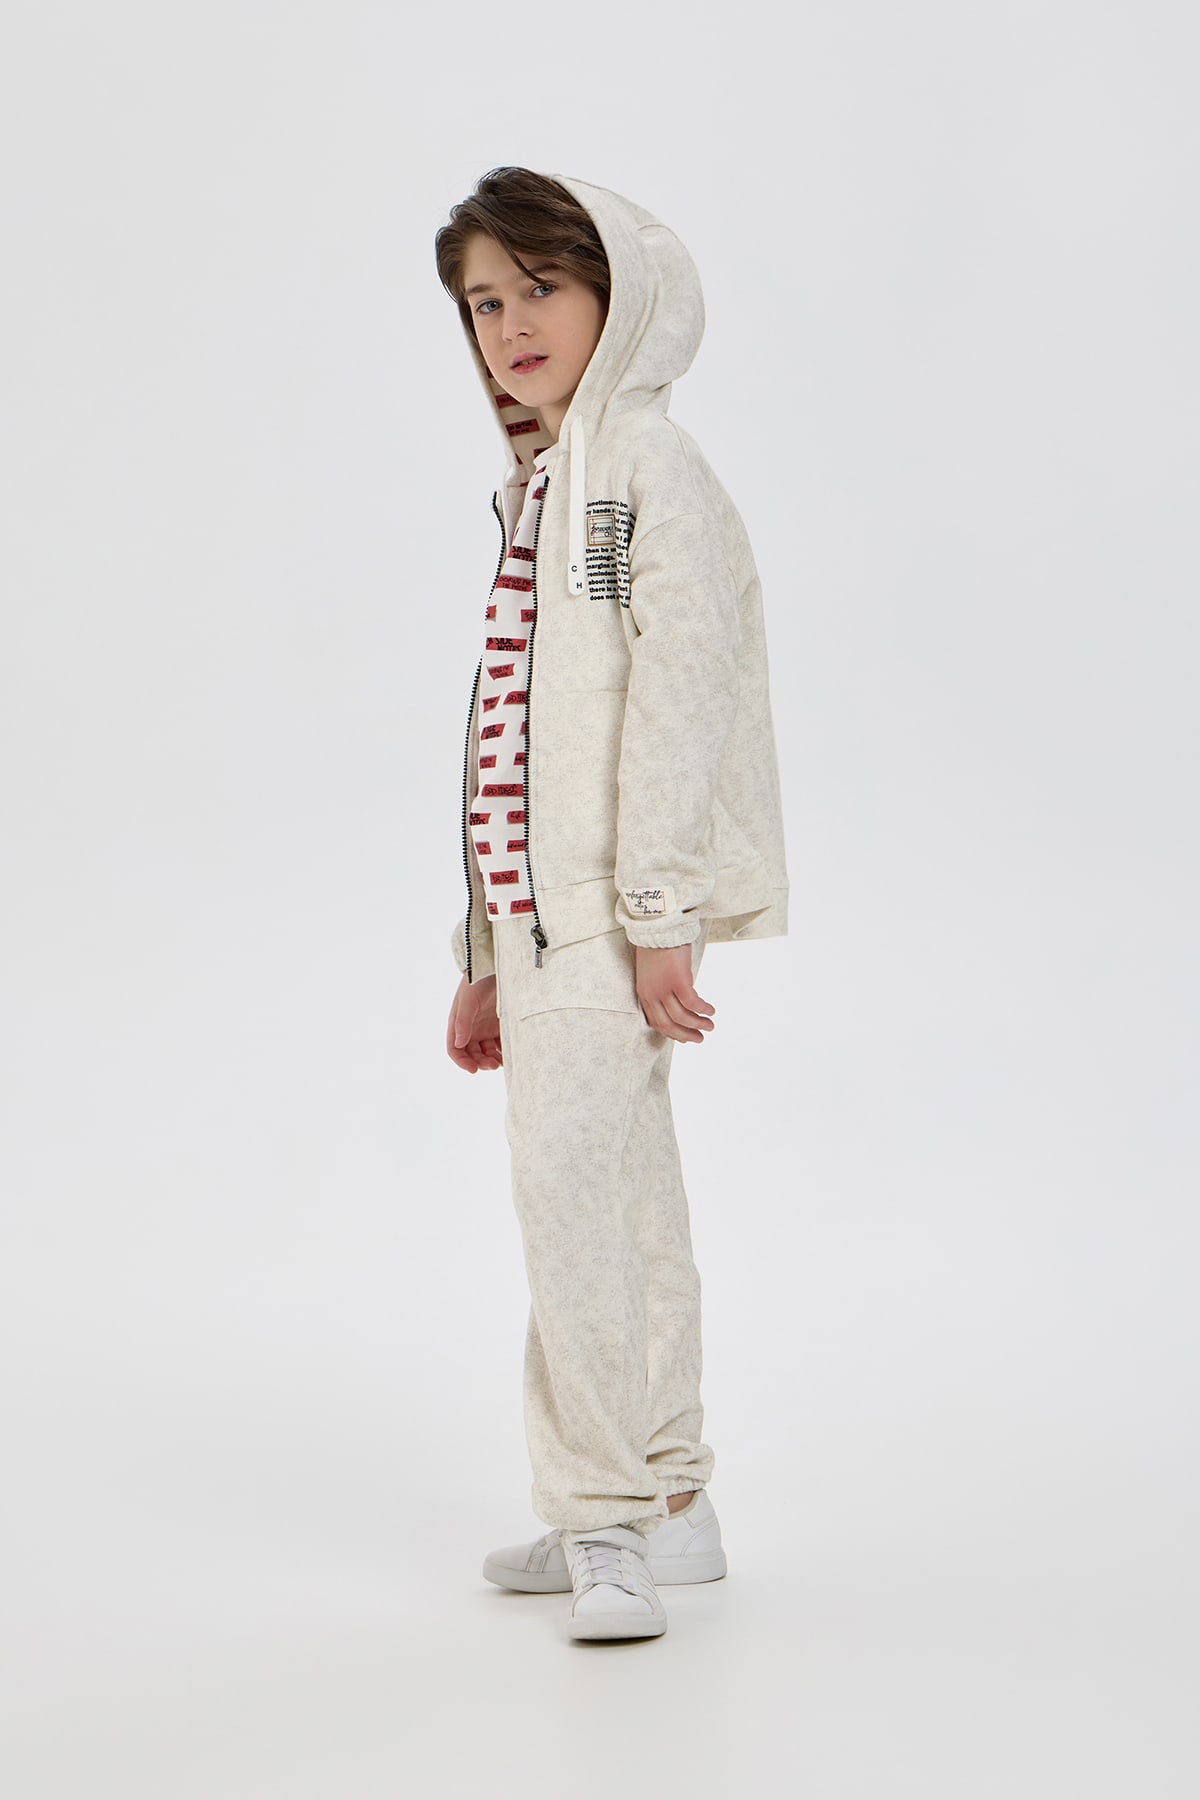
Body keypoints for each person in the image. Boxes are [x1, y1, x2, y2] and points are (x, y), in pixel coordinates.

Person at [435, 168, 788, 1642]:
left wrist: (656, 913)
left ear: (617, 294)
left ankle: (601, 1519)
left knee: (573, 1208)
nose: (510, 324)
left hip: (601, 918)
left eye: (541, 287)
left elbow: (677, 697)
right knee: (628, 1200)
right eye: (483, 302)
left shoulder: (639, 469)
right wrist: (482, 954)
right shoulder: (549, 489)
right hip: (544, 932)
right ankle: (671, 1503)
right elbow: (509, 737)